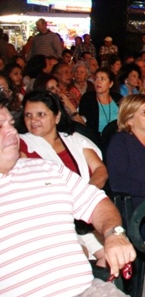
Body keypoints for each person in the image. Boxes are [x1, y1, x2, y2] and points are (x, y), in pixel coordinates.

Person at [0, 96, 145, 297]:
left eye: (10, 123)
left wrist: (114, 233)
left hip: (85, 295)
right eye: (1, 126)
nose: (12, 132)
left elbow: (97, 201)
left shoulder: (46, 168)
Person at [19, 90, 109, 264]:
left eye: (41, 114)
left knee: (111, 255)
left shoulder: (74, 140)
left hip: (84, 216)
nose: (33, 120)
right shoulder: (22, 144)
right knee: (77, 258)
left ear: (57, 116)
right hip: (51, 221)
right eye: (28, 115)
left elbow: (100, 170)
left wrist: (84, 196)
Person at [106, 94, 145, 209]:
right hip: (142, 204)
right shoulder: (121, 142)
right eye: (144, 112)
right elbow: (117, 182)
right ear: (129, 120)